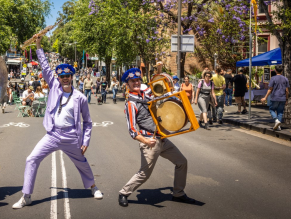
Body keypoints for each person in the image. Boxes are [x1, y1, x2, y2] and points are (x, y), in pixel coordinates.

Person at [12, 34, 102, 210]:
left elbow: (88, 123)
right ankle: (26, 196)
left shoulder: (80, 98)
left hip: (71, 136)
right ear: (58, 78)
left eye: (68, 75)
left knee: (82, 163)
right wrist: (38, 45)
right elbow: (45, 67)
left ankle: (93, 187)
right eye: (62, 76)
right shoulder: (53, 87)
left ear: (72, 77)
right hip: (52, 134)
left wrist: (85, 141)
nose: (65, 78)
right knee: (31, 159)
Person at [118, 68, 195, 207]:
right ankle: (124, 193)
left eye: (137, 80)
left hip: (162, 139)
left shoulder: (145, 93)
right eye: (132, 81)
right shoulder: (130, 103)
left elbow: (161, 88)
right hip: (149, 143)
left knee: (182, 162)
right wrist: (146, 141)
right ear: (127, 84)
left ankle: (178, 193)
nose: (136, 82)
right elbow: (132, 130)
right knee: (144, 174)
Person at [261, 65, 290, 131]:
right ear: (282, 71)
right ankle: (278, 126)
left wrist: (265, 97)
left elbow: (270, 89)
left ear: (275, 70)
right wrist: (287, 99)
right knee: (280, 112)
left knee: (271, 109)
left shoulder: (273, 78)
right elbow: (287, 90)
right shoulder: (285, 79)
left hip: (275, 97)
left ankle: (276, 120)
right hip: (283, 97)